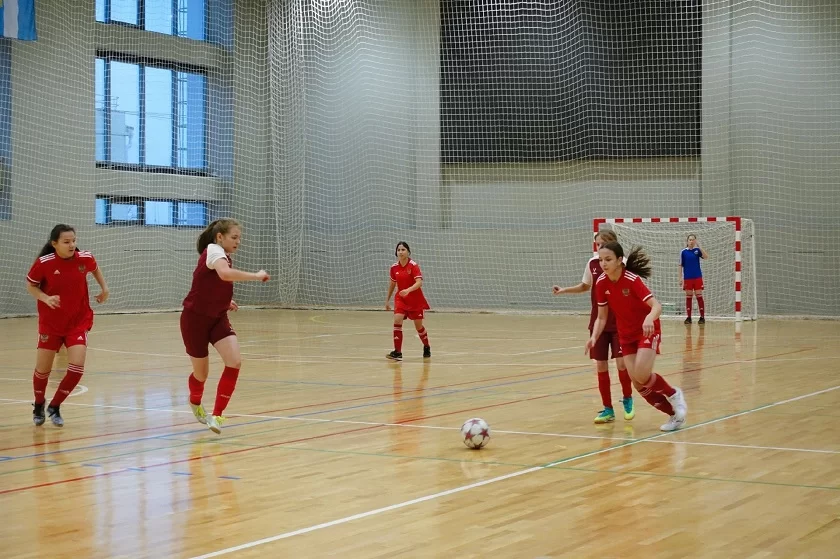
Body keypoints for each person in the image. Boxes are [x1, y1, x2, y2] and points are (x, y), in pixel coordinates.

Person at [587, 242, 688, 432]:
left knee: (641, 374)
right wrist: (594, 337)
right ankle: (674, 415)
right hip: (625, 334)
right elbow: (601, 317)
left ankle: (674, 393)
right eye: (600, 260)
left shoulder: (631, 280)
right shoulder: (601, 283)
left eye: (608, 259)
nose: (603, 264)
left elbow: (656, 306)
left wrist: (649, 318)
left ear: (619, 260)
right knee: (637, 382)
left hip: (647, 330)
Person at [181, 218, 269, 434]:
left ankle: (217, 416)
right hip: (195, 320)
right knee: (201, 374)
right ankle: (195, 401)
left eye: (240, 238)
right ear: (220, 237)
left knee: (234, 361)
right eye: (234, 237)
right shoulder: (213, 250)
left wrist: (224, 301)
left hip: (218, 318)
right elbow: (224, 274)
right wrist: (256, 276)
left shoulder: (223, 255)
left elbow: (211, 283)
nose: (238, 241)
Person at [26, 224, 109, 427]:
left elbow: (95, 268)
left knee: (76, 368)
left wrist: (104, 288)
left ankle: (55, 406)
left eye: (73, 240)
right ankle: (39, 403)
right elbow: (31, 286)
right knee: (42, 370)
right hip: (51, 324)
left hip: (78, 322)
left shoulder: (84, 258)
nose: (72, 245)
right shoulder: (44, 263)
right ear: (54, 244)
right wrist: (46, 298)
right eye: (66, 242)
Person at [553, 230, 634, 424]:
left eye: (603, 244)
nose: (599, 248)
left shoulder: (624, 264)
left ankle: (627, 397)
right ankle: (608, 409)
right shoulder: (592, 263)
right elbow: (584, 286)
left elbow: (632, 290)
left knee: (622, 364)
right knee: (600, 365)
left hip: (620, 322)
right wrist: (564, 290)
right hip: (599, 321)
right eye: (597, 244)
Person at [385, 242, 431, 361]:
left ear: (408, 252)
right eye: (398, 250)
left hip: (415, 299)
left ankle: (426, 346)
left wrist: (408, 290)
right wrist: (387, 300)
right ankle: (397, 352)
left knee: (419, 327)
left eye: (403, 249)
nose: (400, 252)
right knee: (397, 320)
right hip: (401, 298)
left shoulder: (413, 266)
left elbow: (419, 282)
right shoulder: (394, 267)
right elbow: (392, 284)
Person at [680, 233, 708, 324]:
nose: (691, 241)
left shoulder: (697, 251)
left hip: (697, 277)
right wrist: (680, 278)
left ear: (695, 241)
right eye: (690, 240)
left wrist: (700, 246)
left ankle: (702, 317)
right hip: (687, 278)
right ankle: (689, 318)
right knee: (689, 297)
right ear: (687, 241)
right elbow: (680, 265)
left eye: (693, 240)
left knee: (699, 296)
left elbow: (706, 257)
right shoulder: (683, 252)